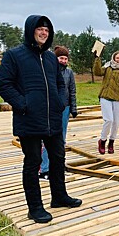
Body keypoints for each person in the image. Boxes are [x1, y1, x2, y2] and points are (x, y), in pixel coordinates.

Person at [0, 15, 82, 224]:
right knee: (33, 161)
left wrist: (61, 102)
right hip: (29, 119)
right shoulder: (14, 56)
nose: (44, 33)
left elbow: (60, 84)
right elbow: (4, 85)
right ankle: (34, 208)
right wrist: (24, 104)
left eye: (47, 30)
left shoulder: (52, 58)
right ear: (30, 30)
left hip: (52, 119)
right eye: (40, 29)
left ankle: (59, 196)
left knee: (58, 158)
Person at [39, 45, 78, 180]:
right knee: (47, 138)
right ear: (55, 58)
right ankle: (45, 168)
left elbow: (72, 90)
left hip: (65, 108)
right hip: (50, 108)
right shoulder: (48, 71)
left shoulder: (69, 73)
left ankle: (58, 166)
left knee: (61, 139)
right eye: (61, 58)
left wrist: (73, 108)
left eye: (66, 58)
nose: (63, 60)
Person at [94, 50, 119, 155]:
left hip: (118, 98)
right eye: (117, 58)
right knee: (109, 120)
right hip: (105, 96)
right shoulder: (108, 68)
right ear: (113, 58)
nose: (118, 59)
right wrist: (97, 59)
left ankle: (111, 142)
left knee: (116, 122)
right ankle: (102, 141)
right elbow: (97, 72)